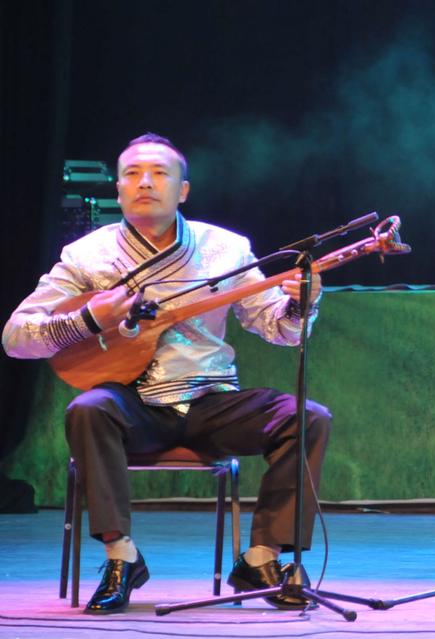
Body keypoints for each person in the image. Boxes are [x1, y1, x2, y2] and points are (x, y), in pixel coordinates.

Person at [3, 133, 331, 614]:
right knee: (88, 409)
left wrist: (302, 303)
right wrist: (90, 319)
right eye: (133, 174)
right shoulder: (86, 255)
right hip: (131, 403)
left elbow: (278, 329)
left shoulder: (226, 248)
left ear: (183, 190)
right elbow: (16, 337)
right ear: (117, 190)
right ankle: (122, 557)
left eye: (159, 173)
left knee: (309, 416)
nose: (145, 182)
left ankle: (261, 558)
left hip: (211, 398)